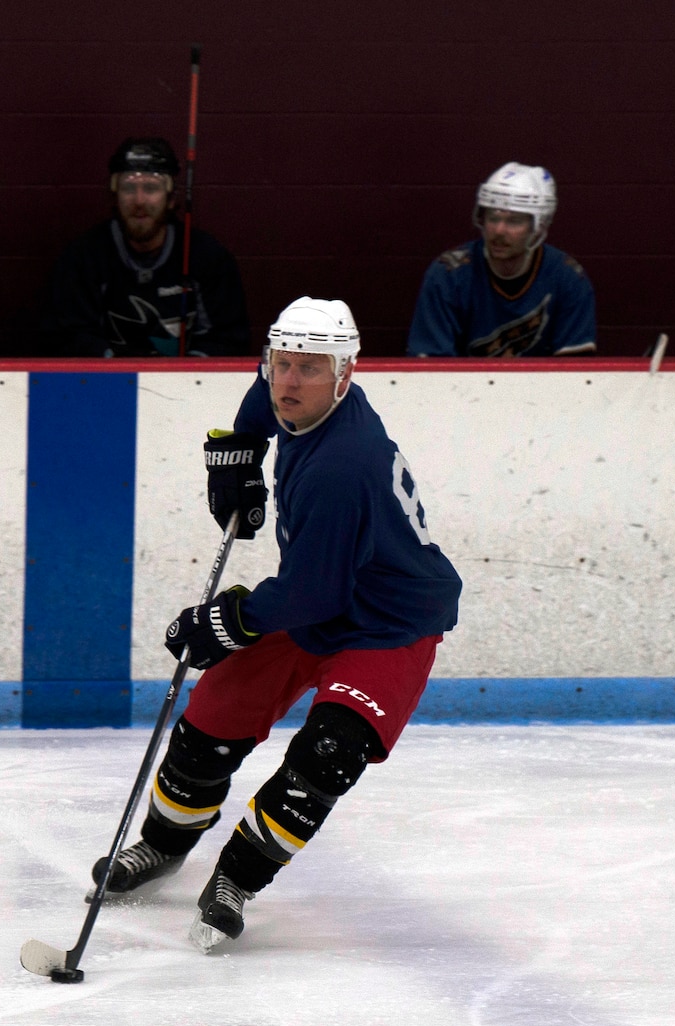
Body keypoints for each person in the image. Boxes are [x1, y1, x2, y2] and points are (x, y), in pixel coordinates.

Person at [91, 298, 462, 951]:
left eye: (309, 369)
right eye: (280, 363)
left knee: (328, 754)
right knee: (210, 723)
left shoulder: (344, 466)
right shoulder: (288, 391)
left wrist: (226, 621)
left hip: (389, 621)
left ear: (344, 377)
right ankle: (160, 846)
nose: (289, 381)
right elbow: (260, 405)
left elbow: (314, 593)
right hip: (313, 596)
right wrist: (240, 450)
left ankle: (234, 878)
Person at [39, 137, 251, 357]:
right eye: (129, 187)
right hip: (107, 388)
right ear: (114, 196)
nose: (139, 200)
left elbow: (229, 340)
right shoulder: (82, 259)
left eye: (151, 188)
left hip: (184, 389)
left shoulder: (207, 257)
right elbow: (66, 339)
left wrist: (183, 379)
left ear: (170, 198)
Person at [407, 162, 597, 357]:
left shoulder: (568, 278)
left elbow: (575, 373)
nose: (499, 231)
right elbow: (430, 368)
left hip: (541, 388)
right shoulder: (448, 274)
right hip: (462, 387)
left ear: (539, 227)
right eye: (493, 217)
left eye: (514, 221)